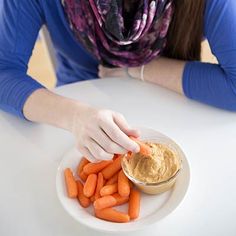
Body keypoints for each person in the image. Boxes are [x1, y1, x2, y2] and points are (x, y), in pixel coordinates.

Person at [0, 0, 236, 162]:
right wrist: (74, 116)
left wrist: (141, 69)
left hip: (176, 100)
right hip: (77, 105)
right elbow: (4, 71)